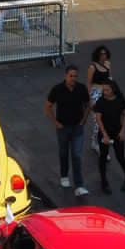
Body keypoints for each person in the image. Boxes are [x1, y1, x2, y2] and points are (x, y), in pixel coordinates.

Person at [45, 66, 90, 196]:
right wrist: (55, 122)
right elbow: (48, 106)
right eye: (71, 76)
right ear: (66, 76)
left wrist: (84, 120)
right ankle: (64, 175)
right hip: (63, 127)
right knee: (63, 152)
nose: (73, 79)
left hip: (77, 126)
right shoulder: (57, 89)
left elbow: (88, 105)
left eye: (75, 76)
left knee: (77, 155)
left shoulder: (81, 88)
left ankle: (79, 184)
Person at [93, 81, 125, 193]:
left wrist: (123, 130)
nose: (105, 92)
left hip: (117, 132)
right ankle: (104, 182)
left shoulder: (120, 100)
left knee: (120, 156)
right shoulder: (101, 102)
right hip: (105, 133)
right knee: (103, 157)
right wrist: (104, 134)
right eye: (103, 90)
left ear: (113, 90)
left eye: (107, 90)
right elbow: (98, 119)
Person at [85, 45, 114, 153]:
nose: (103, 55)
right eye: (101, 53)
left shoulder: (108, 64)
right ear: (97, 54)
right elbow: (88, 83)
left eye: (105, 53)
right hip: (95, 94)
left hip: (105, 94)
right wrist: (90, 99)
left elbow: (110, 79)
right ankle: (97, 144)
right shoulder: (92, 67)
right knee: (98, 121)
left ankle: (96, 141)